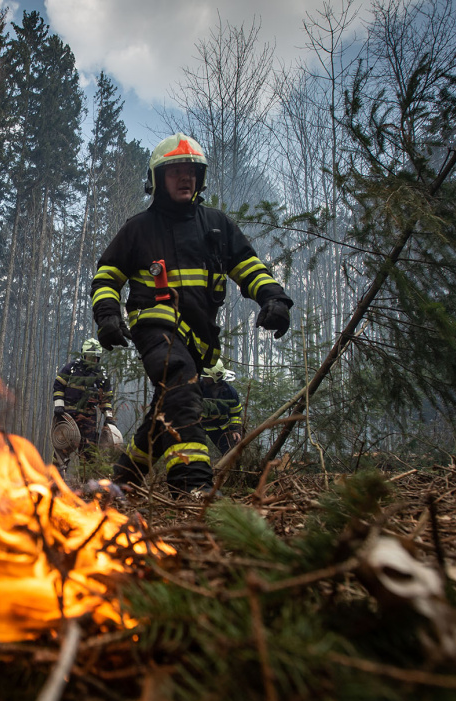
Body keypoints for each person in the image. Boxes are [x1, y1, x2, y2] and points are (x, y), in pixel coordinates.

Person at [90, 132, 292, 497]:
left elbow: (250, 268)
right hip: (154, 328)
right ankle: (191, 490)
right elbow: (106, 277)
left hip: (199, 340)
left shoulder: (217, 226)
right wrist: (107, 315)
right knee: (182, 388)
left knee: (164, 416)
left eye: (191, 172)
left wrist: (273, 299)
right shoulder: (138, 229)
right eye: (175, 171)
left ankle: (118, 485)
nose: (185, 178)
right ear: (156, 180)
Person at [52, 338, 117, 469]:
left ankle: (87, 484)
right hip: (69, 415)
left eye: (95, 358)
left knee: (89, 450)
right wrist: (59, 405)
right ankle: (55, 479)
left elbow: (106, 398)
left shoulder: (101, 375)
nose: (92, 360)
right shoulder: (71, 369)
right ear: (83, 354)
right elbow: (58, 385)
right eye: (90, 356)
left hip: (89, 418)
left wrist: (109, 417)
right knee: (63, 445)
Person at [200, 359, 243, 458]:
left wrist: (235, 430)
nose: (204, 379)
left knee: (231, 455)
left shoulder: (230, 393)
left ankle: (235, 472)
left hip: (221, 428)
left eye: (207, 378)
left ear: (216, 377)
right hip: (199, 427)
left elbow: (235, 414)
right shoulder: (197, 388)